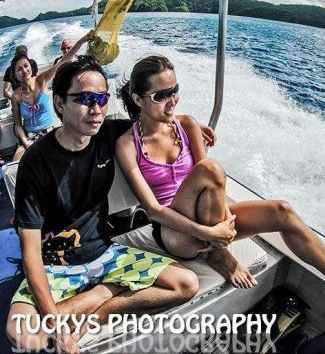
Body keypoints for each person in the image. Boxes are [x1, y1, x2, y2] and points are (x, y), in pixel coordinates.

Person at [117, 55, 325, 293]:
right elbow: (153, 210)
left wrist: (221, 222)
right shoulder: (128, 144)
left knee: (282, 210)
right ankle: (219, 254)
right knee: (210, 168)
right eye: (160, 95)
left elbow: (213, 188)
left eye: (174, 90)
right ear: (138, 100)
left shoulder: (187, 125)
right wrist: (210, 233)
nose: (172, 100)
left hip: (210, 220)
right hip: (177, 234)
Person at [5, 56, 201, 354]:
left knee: (186, 283)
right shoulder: (36, 163)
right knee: (22, 335)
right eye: (84, 99)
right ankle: (105, 291)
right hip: (56, 263)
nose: (96, 110)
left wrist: (190, 126)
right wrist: (56, 328)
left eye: (101, 99)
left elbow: (154, 119)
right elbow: (30, 252)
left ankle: (104, 305)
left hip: (105, 252)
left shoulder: (111, 134)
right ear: (59, 104)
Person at [10, 33, 89, 161]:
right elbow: (18, 125)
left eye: (26, 66)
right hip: (29, 137)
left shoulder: (41, 80)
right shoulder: (16, 97)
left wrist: (82, 41)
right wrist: (25, 142)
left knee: (64, 159)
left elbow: (64, 60)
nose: (24, 71)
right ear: (14, 74)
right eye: (19, 69)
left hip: (50, 134)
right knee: (15, 166)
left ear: (30, 66)